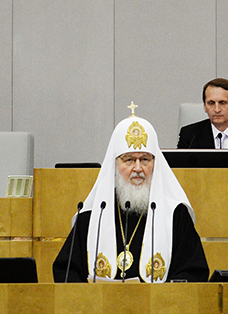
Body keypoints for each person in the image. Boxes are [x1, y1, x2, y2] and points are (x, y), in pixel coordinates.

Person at [53, 106, 209, 282]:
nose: (138, 168)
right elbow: (67, 272)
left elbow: (193, 272)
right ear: (115, 165)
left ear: (155, 164)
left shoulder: (175, 214)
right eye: (129, 160)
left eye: (145, 159)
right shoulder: (94, 214)